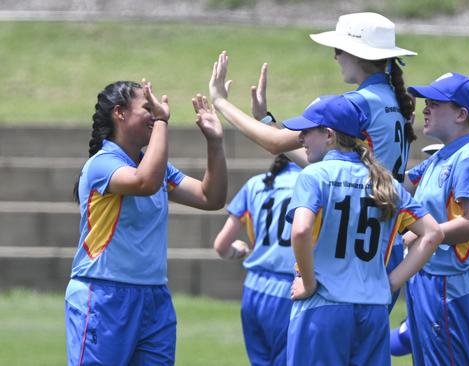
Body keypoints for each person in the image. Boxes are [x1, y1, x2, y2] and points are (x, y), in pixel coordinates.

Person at [210, 11, 418, 309]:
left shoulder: (356, 104)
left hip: (351, 250)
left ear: (354, 54)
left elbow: (274, 144)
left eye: (338, 50)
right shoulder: (393, 100)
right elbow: (321, 160)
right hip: (380, 243)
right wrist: (267, 120)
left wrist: (220, 102)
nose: (335, 58)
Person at [65, 82, 228, 365]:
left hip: (154, 296)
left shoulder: (157, 167)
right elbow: (145, 182)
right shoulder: (102, 164)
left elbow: (210, 197)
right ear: (120, 113)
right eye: (147, 107)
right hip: (104, 295)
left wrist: (214, 142)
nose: (154, 113)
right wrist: (163, 121)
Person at [279, 94, 443, 365]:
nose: (300, 138)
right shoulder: (385, 182)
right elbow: (433, 233)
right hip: (373, 311)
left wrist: (308, 283)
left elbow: (300, 231)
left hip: (323, 308)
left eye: (307, 131)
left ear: (329, 134)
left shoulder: (314, 175)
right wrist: (390, 283)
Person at [402, 72, 469, 365]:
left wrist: (425, 235)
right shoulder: (441, 157)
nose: (425, 108)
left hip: (453, 284)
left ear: (461, 114)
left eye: (435, 103)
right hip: (432, 279)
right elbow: (390, 187)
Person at [212, 154, 301, 366]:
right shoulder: (313, 183)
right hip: (290, 290)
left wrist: (239, 251)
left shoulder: (255, 184)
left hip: (253, 288)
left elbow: (221, 246)